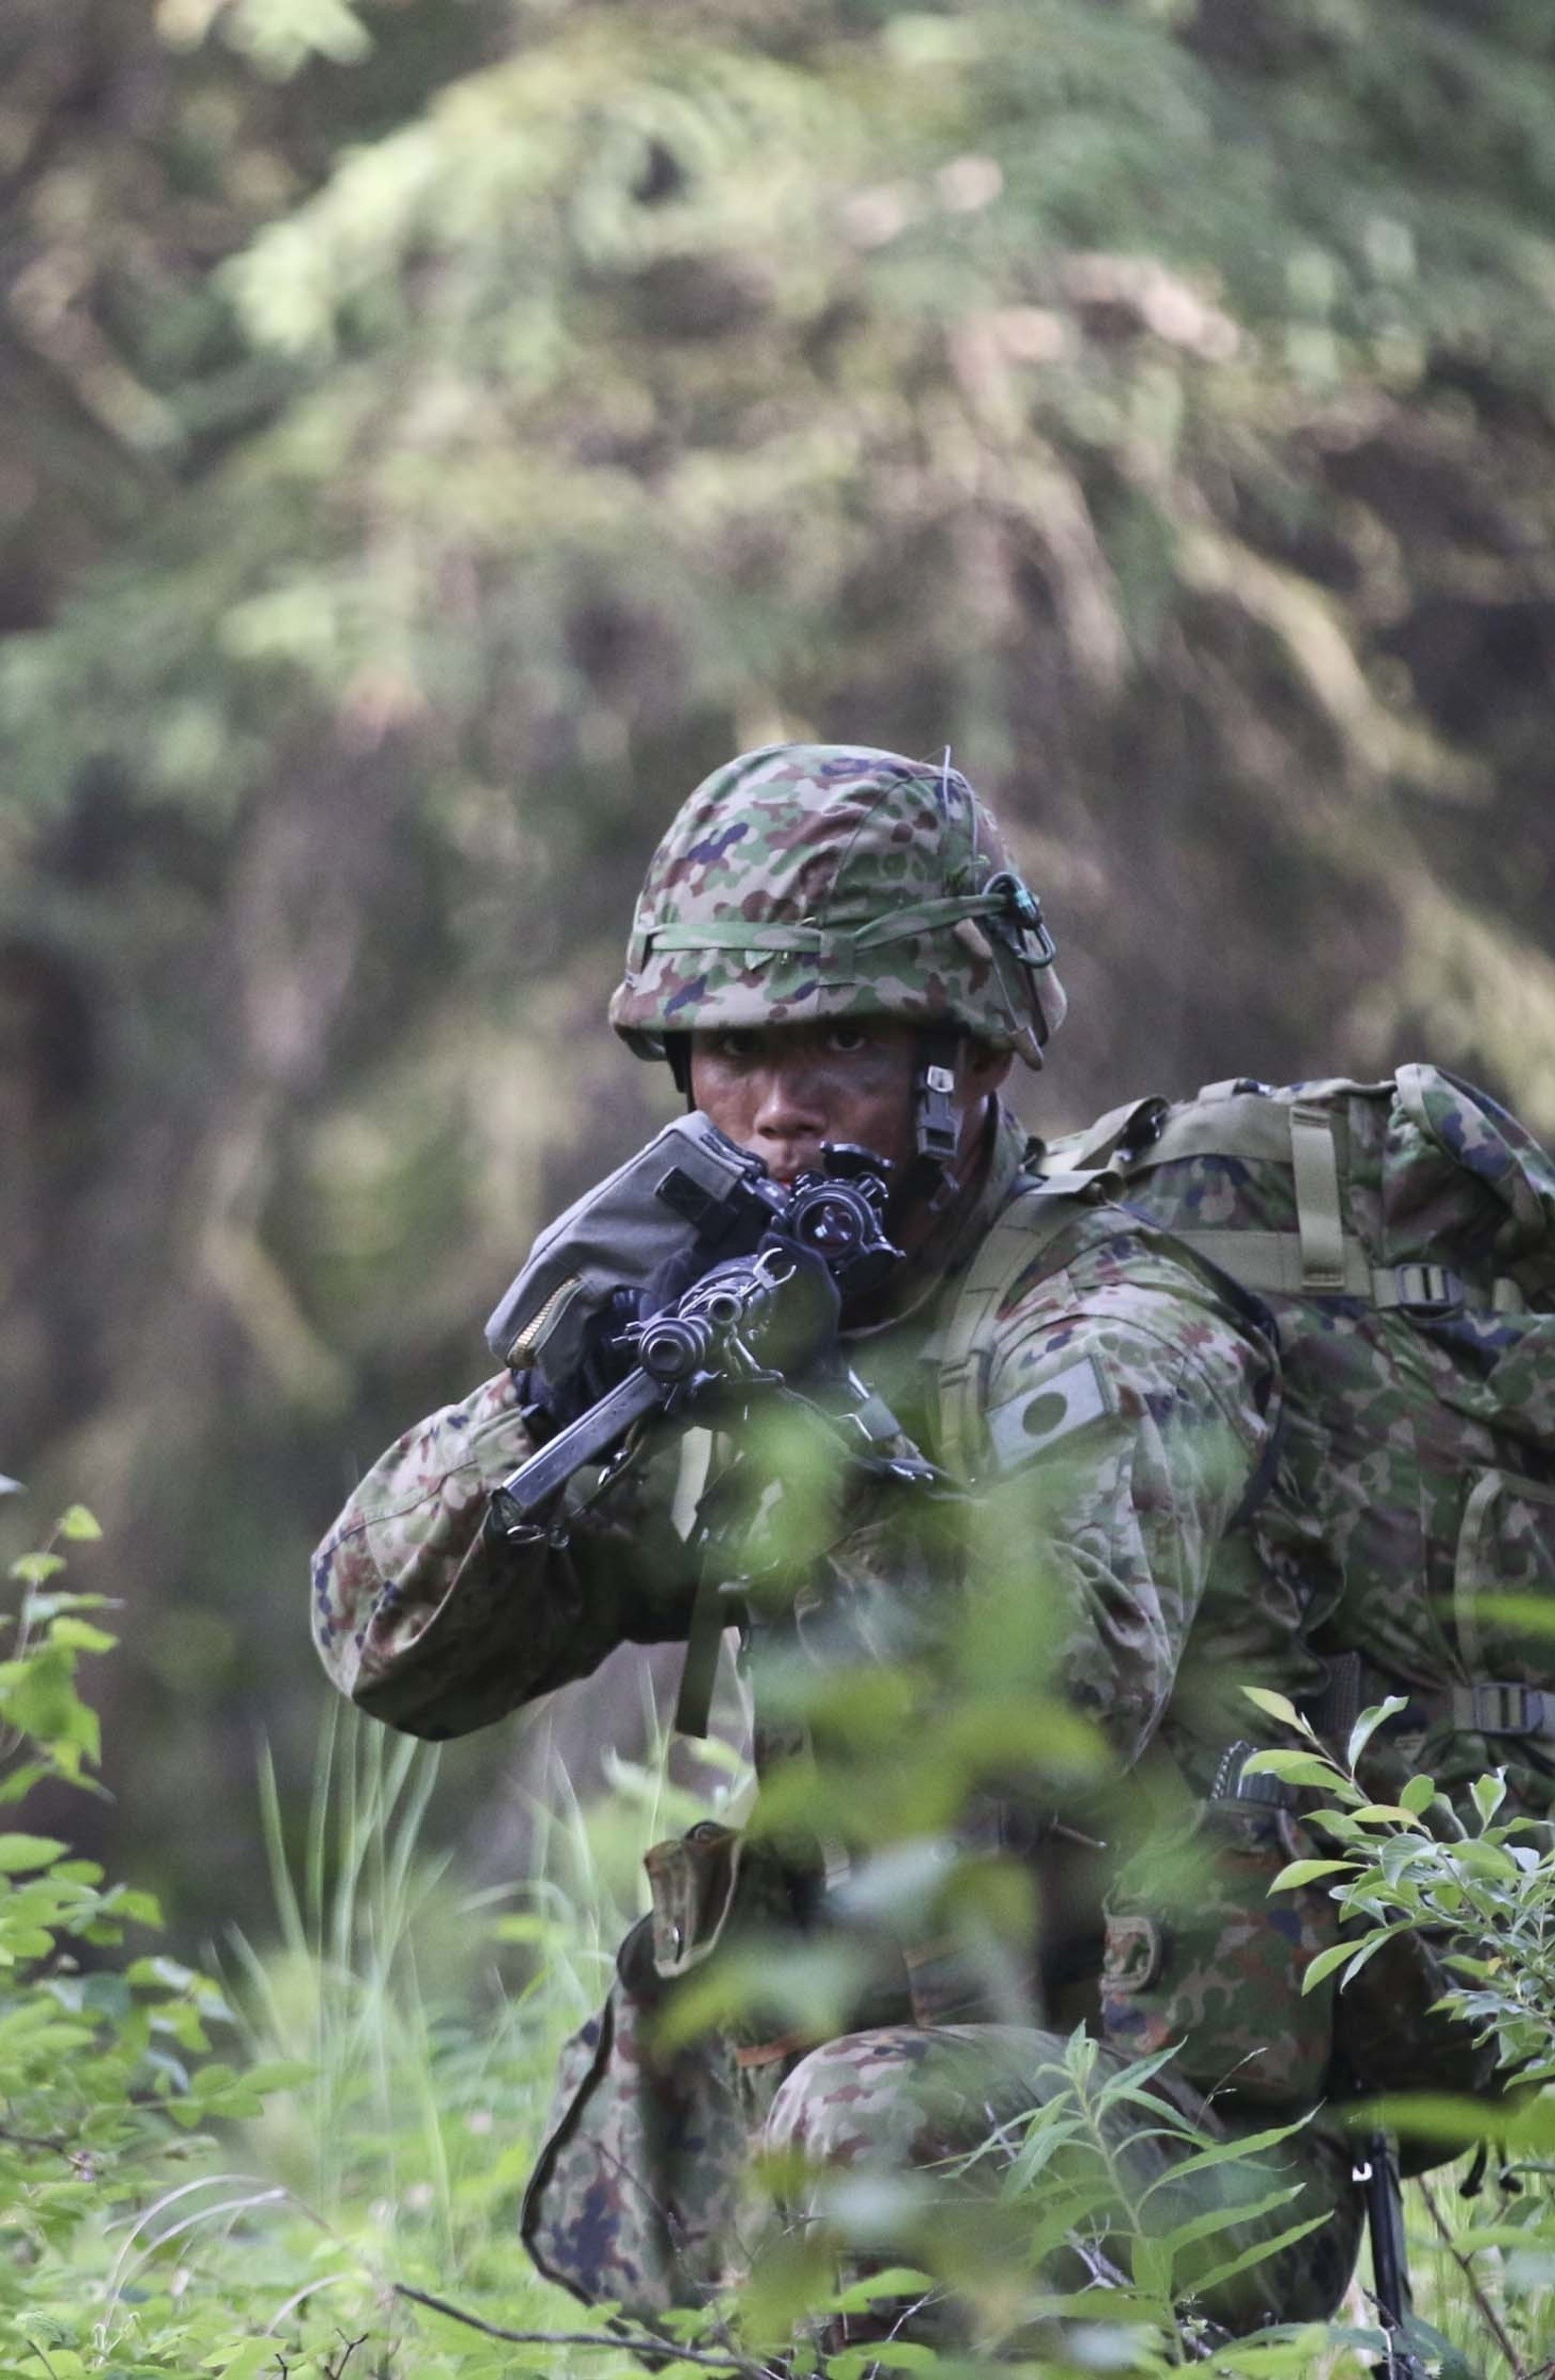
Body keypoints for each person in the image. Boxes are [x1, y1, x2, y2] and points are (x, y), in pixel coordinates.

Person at [311, 743, 1363, 2349]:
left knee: (872, 2127)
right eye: (734, 1051)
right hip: (861, 2128)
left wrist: (833, 1450)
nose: (783, 1106)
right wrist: (556, 1398)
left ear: (972, 1063)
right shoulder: (729, 1315)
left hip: (1173, 2132)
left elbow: (1049, 1699)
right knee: (837, 2125)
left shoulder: (1118, 1314)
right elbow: (387, 1647)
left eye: (846, 1043)